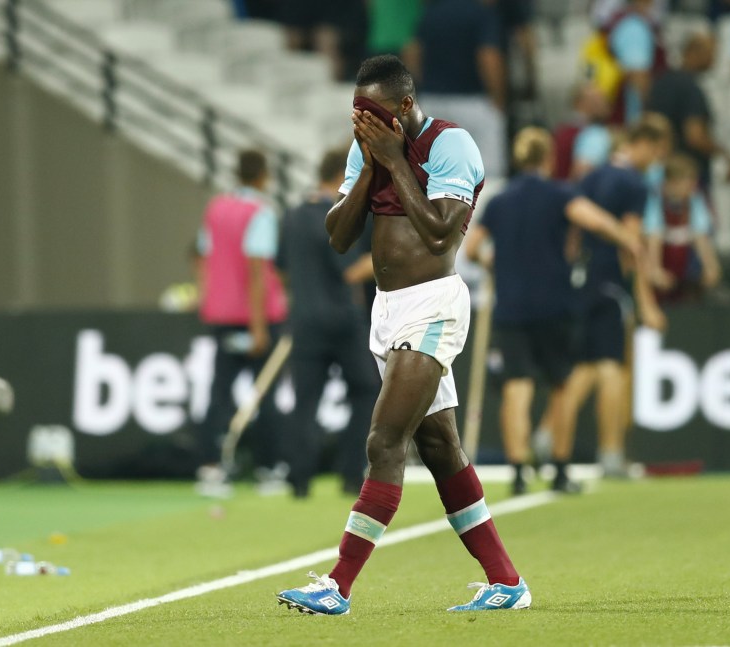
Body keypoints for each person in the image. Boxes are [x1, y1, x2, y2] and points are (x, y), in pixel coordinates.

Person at [277, 55, 529, 615]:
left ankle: (338, 585)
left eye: (377, 112)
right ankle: (506, 582)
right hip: (386, 312)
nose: (365, 121)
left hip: (434, 304)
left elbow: (441, 234)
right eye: (358, 113)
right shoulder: (366, 150)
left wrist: (393, 162)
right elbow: (338, 236)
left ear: (406, 106)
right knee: (441, 449)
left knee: (383, 441)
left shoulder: (450, 144)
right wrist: (370, 167)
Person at [465, 128, 642, 496]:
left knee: (517, 389)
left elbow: (471, 249)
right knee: (560, 388)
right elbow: (595, 221)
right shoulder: (560, 194)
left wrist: (490, 262)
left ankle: (517, 474)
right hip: (555, 307)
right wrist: (627, 239)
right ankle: (560, 471)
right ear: (548, 159)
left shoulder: (499, 201)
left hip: (511, 309)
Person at [565, 118, 668, 479]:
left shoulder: (592, 177)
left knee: (586, 364)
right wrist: (646, 302)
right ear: (643, 141)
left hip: (584, 279)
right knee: (613, 367)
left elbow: (574, 230)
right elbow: (632, 246)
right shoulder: (636, 185)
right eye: (656, 151)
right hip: (612, 284)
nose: (656, 160)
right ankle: (611, 453)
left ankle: (549, 436)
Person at [276, 148, 379, 498]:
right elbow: (350, 270)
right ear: (341, 175)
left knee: (305, 401)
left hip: (304, 320)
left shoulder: (291, 215)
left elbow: (282, 269)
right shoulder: (336, 214)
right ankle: (350, 473)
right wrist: (389, 254)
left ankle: (299, 479)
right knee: (366, 391)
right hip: (342, 320)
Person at [195, 149, 289, 495]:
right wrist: (259, 326)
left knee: (219, 394)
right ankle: (268, 471)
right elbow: (255, 270)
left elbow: (202, 253)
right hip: (256, 319)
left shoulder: (216, 207)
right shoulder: (260, 213)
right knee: (266, 395)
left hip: (221, 317)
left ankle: (209, 469)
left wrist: (205, 295)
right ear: (263, 176)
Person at [404, 0, 508, 177]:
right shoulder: (481, 14)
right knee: (488, 175)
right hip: (474, 102)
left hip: (432, 103)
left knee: (433, 174)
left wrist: (424, 86)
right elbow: (489, 57)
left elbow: (412, 53)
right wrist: (498, 99)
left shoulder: (430, 13)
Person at [647, 33, 730, 187]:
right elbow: (695, 136)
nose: (713, 60)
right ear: (694, 52)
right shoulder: (690, 88)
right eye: (711, 54)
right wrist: (724, 154)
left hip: (659, 168)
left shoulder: (661, 80)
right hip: (686, 173)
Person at [645, 153, 723, 303]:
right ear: (671, 183)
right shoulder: (655, 200)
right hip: (661, 272)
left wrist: (712, 267)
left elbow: (701, 237)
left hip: (685, 274)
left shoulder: (695, 201)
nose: (693, 187)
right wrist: (655, 271)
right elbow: (653, 238)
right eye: (688, 182)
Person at [554, 82, 614, 181]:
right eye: (597, 100)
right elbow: (580, 173)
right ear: (580, 103)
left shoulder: (564, 131)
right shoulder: (590, 134)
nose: (604, 104)